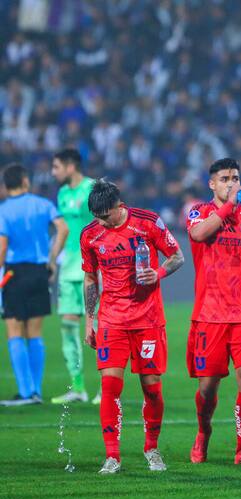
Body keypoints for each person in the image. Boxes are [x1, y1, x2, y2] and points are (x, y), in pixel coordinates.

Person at [80, 179, 184, 474]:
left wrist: (159, 272)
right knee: (110, 386)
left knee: (151, 389)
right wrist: (91, 319)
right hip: (112, 318)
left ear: (119, 206)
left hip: (148, 318)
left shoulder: (147, 222)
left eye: (106, 215)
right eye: (96, 217)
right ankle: (112, 456)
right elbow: (90, 278)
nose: (101, 222)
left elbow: (177, 256)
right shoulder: (90, 235)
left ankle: (151, 448)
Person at [185, 158, 241, 465]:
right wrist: (228, 208)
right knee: (208, 386)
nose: (231, 183)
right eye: (225, 179)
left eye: (235, 177)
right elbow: (198, 235)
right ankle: (203, 431)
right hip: (209, 313)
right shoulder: (199, 213)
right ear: (212, 184)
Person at [0, 164, 68, 406]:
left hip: (14, 274)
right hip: (40, 271)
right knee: (35, 332)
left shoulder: (4, 211)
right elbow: (63, 228)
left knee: (15, 331)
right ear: (25, 182)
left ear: (6, 186)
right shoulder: (43, 204)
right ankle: (36, 391)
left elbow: (2, 246)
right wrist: (51, 260)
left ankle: (26, 392)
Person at [50, 148, 96, 404]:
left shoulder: (92, 188)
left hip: (92, 268)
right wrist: (53, 259)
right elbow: (63, 230)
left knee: (99, 329)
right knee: (68, 325)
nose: (53, 172)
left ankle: (105, 388)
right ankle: (78, 387)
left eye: (56, 167)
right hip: (69, 267)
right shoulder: (62, 193)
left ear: (70, 166)